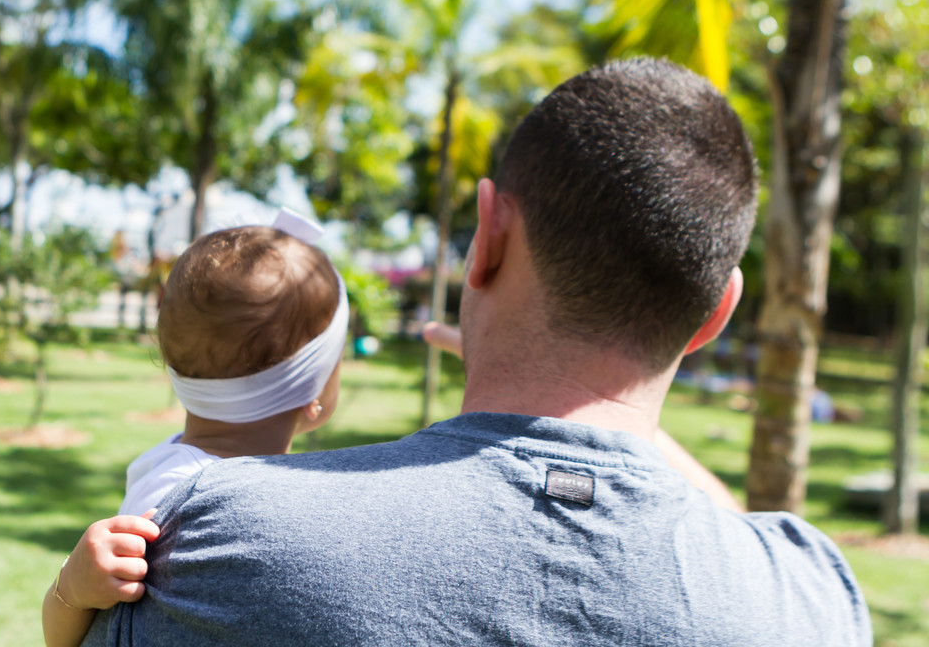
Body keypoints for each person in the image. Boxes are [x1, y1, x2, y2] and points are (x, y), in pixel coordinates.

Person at [81, 58, 871, 646]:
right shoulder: (811, 600)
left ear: (486, 236)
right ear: (714, 316)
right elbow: (741, 536)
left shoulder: (211, 535)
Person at [43, 223, 347, 647]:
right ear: (314, 388)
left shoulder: (175, 468)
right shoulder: (178, 499)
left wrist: (68, 592)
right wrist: (72, 590)